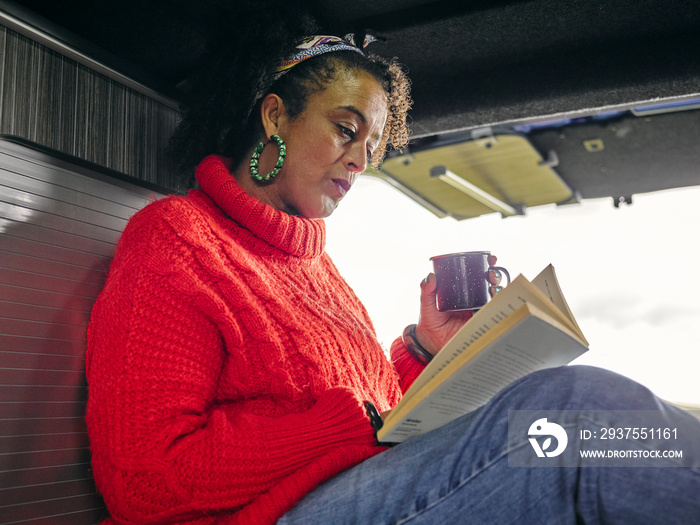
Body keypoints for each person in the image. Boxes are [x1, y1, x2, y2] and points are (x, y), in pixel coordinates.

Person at [85, 8, 700, 525]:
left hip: (362, 489)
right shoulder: (175, 239)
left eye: (372, 148)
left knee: (570, 419)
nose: (359, 161)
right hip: (280, 515)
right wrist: (338, 426)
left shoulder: (320, 268)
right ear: (275, 116)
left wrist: (427, 352)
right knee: (572, 412)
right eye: (346, 130)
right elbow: (144, 479)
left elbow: (379, 419)